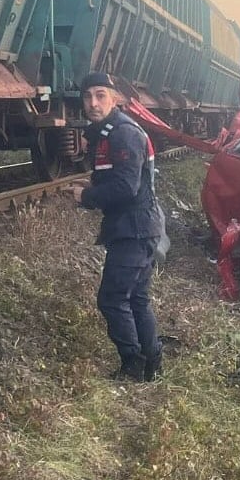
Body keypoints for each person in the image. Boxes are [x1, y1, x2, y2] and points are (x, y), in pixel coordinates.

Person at [69, 72, 164, 382]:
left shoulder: (123, 133)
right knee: (136, 297)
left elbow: (126, 187)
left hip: (134, 229)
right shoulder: (107, 131)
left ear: (115, 99)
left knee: (112, 299)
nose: (93, 103)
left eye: (100, 95)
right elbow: (119, 178)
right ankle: (152, 363)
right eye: (88, 97)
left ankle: (133, 365)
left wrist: (87, 195)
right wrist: (94, 183)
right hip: (137, 227)